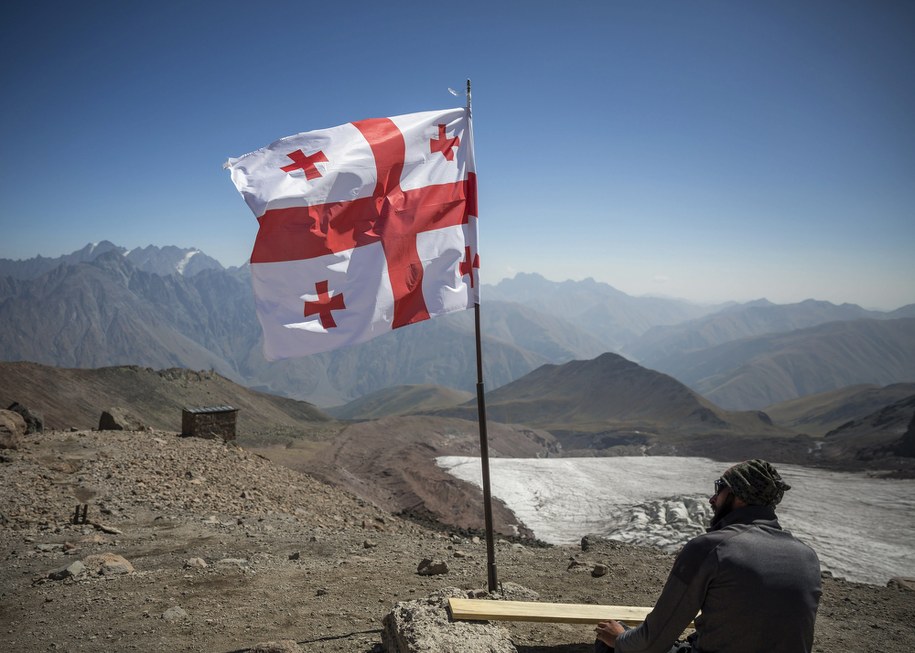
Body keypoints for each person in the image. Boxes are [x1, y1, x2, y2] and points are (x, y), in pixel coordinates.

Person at [595, 459, 821, 653]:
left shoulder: (711, 548)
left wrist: (619, 639)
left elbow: (653, 641)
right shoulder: (807, 556)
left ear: (739, 496)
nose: (712, 499)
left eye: (720, 488)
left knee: (613, 640)